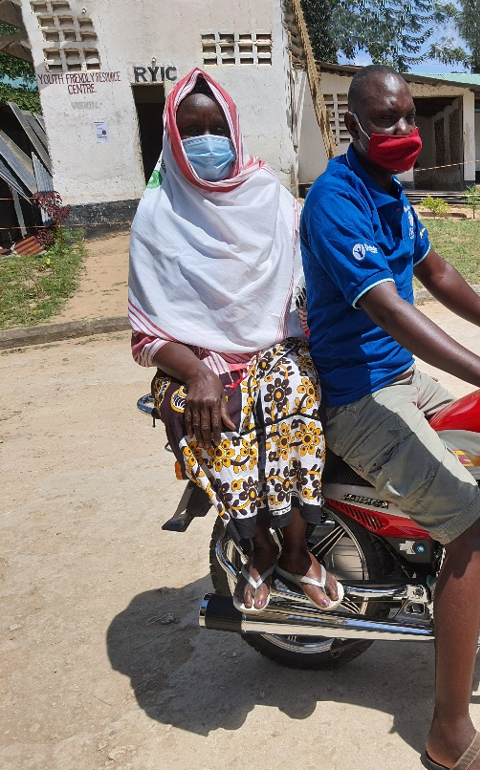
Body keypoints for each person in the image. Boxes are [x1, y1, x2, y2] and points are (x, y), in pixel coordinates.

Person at [300, 65, 480, 770]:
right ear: (353, 127)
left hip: (401, 381)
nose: (404, 131)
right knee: (473, 525)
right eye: (387, 120)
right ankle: (449, 733)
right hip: (361, 400)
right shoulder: (336, 200)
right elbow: (390, 310)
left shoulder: (389, 192)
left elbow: (434, 271)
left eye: (409, 116)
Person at [128, 68, 341, 615]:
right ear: (172, 136)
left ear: (235, 130)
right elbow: (147, 333)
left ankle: (294, 551)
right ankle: (258, 544)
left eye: (215, 127)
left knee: (292, 393)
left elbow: (304, 278)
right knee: (209, 413)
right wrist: (197, 370)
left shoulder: (268, 194)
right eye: (191, 128)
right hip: (198, 360)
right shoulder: (156, 213)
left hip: (276, 345)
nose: (206, 141)